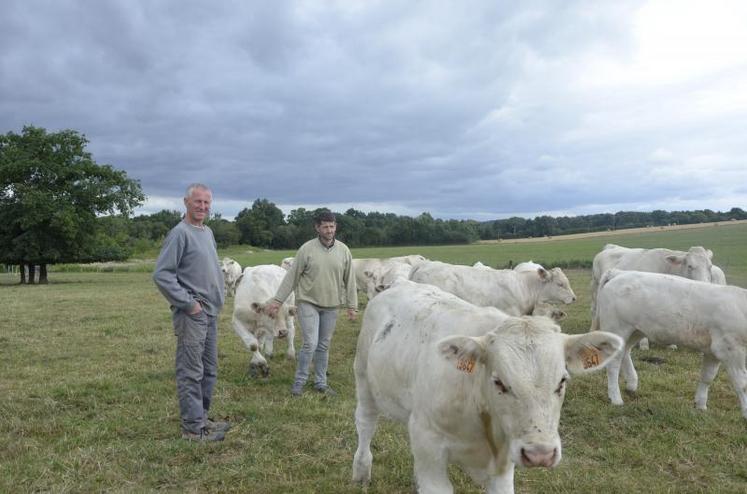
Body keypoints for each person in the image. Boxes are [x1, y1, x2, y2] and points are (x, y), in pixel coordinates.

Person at [153, 183, 229, 441]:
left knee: (209, 369)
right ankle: (192, 429)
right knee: (191, 370)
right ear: (186, 202)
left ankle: (202, 419)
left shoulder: (206, 232)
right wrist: (189, 304)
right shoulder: (179, 233)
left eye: (207, 203)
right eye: (198, 202)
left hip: (211, 313)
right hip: (193, 314)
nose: (203, 207)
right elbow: (162, 275)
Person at [267, 211, 357, 396]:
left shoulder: (344, 250)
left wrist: (352, 305)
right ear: (317, 227)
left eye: (332, 226)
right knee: (310, 343)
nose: (329, 230)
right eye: (325, 226)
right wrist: (278, 301)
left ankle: (321, 383)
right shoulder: (306, 249)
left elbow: (350, 280)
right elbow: (291, 277)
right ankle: (299, 382)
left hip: (332, 305)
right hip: (308, 302)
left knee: (324, 345)